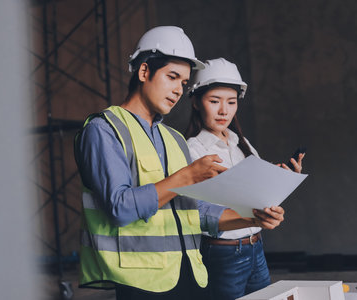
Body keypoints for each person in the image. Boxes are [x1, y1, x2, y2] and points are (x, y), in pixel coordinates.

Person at [74, 27, 285, 300]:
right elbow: (118, 207)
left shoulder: (172, 139)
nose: (177, 90)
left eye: (184, 83)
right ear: (144, 72)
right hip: (141, 281)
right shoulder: (105, 129)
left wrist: (253, 218)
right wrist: (186, 177)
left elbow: (195, 213)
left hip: (189, 275)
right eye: (172, 77)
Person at [185, 57, 305, 300]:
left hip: (255, 247)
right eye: (214, 101)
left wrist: (282, 178)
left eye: (231, 102)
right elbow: (195, 211)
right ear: (196, 102)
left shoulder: (242, 144)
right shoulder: (192, 149)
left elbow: (255, 192)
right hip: (221, 254)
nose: (224, 110)